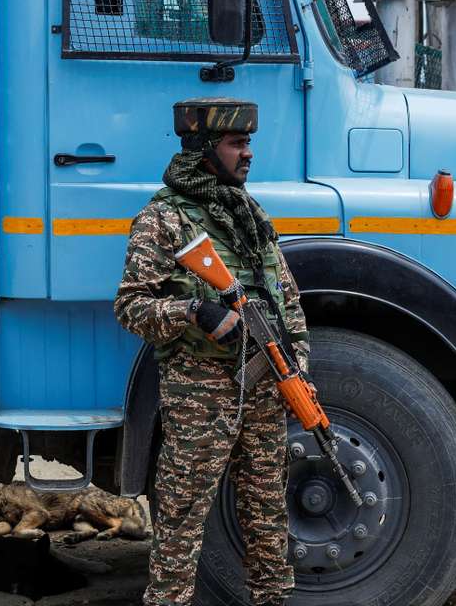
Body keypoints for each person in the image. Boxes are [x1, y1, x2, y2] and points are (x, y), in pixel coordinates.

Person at [114, 97, 311, 606]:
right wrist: (195, 313)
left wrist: (299, 368)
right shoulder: (164, 220)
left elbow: (285, 299)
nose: (248, 154)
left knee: (268, 515)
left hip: (264, 388)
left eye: (248, 144)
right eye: (236, 144)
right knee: (180, 520)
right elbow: (131, 307)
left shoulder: (249, 215)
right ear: (205, 150)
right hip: (200, 396)